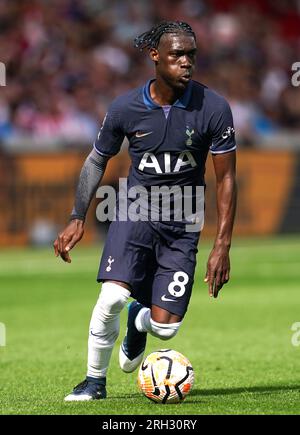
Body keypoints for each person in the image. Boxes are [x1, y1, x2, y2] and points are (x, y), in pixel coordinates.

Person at [53, 21, 237, 401]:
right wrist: (77, 217)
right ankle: (93, 383)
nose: (186, 62)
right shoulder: (125, 107)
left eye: (191, 55)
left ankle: (139, 322)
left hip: (184, 221)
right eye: (177, 55)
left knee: (165, 330)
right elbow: (96, 160)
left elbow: (227, 181)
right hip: (135, 211)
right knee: (110, 300)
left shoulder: (214, 108)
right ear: (155, 56)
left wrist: (222, 247)